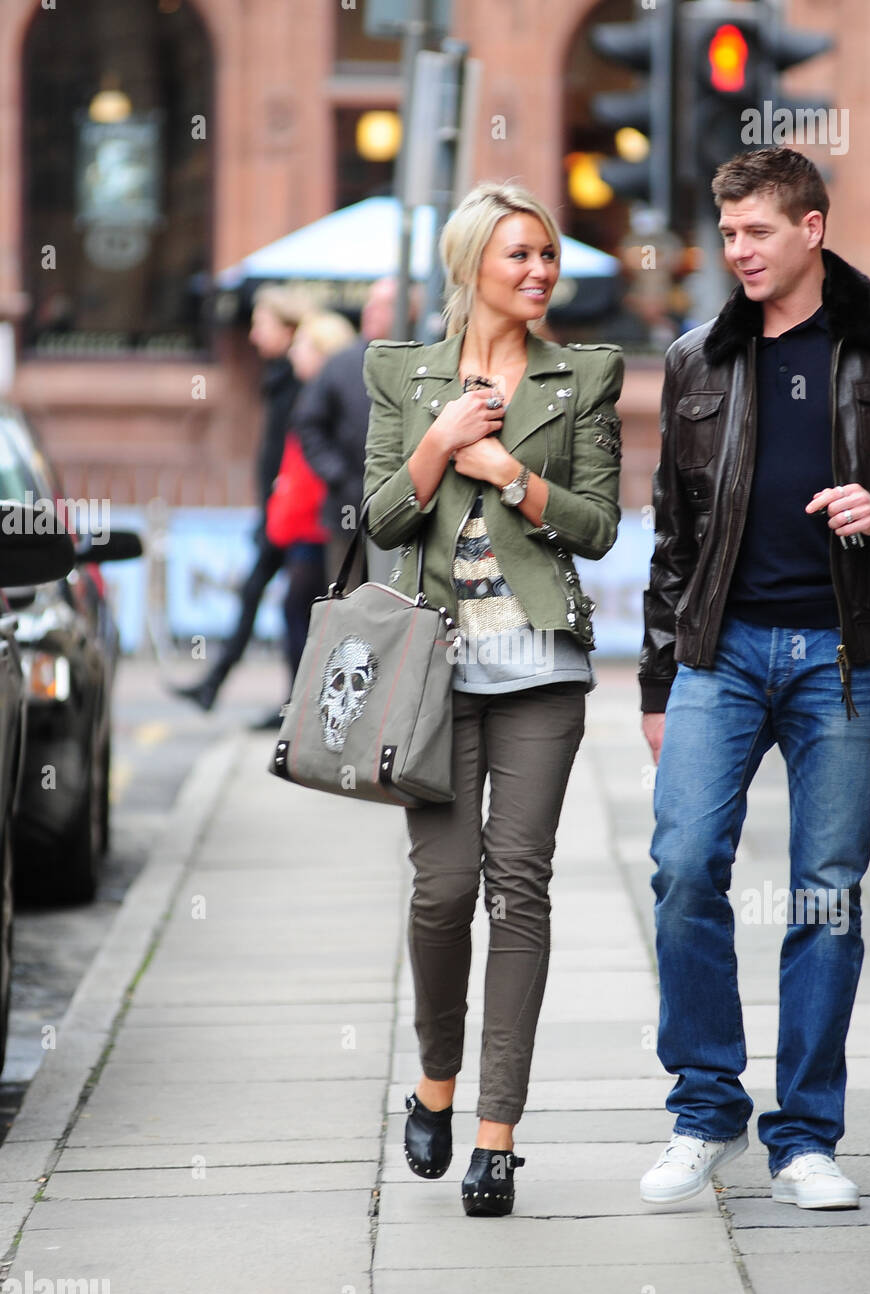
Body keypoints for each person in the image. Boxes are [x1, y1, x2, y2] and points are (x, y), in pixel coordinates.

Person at [638, 147, 870, 1211]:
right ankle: (705, 1112)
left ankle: (804, 1136)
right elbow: (671, 532)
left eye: (754, 232)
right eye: (727, 232)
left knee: (824, 891)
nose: (735, 250)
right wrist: (658, 682)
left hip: (843, 657)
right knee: (685, 863)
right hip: (722, 652)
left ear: (811, 229)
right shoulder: (696, 357)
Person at [362, 182, 623, 1217]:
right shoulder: (402, 374)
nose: (539, 273)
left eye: (547, 258)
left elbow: (599, 524)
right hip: (430, 669)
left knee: (519, 884)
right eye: (519, 256)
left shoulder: (582, 374)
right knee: (441, 888)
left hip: (539, 668)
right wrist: (438, 444)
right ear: (472, 267)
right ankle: (433, 1079)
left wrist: (510, 473)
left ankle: (495, 1134)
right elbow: (381, 518)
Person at [173, 285, 310, 715]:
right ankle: (220, 684)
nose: (253, 335)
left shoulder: (297, 380)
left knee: (294, 608)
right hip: (278, 512)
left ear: (288, 329)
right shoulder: (278, 378)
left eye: (262, 325)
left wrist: (280, 505)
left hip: (294, 514)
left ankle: (292, 702)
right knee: (266, 598)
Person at [267, 311, 357, 696]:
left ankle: (305, 698)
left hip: (318, 524)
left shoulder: (329, 388)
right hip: (312, 521)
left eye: (302, 346)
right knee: (302, 609)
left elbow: (315, 462)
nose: (293, 355)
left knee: (313, 610)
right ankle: (300, 697)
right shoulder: (307, 392)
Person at [292, 277, 398, 589]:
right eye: (370, 302)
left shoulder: (425, 359)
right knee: (347, 600)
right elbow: (308, 423)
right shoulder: (342, 364)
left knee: (399, 604)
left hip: (405, 510)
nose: (371, 310)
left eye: (384, 304)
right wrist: (338, 475)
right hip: (348, 508)